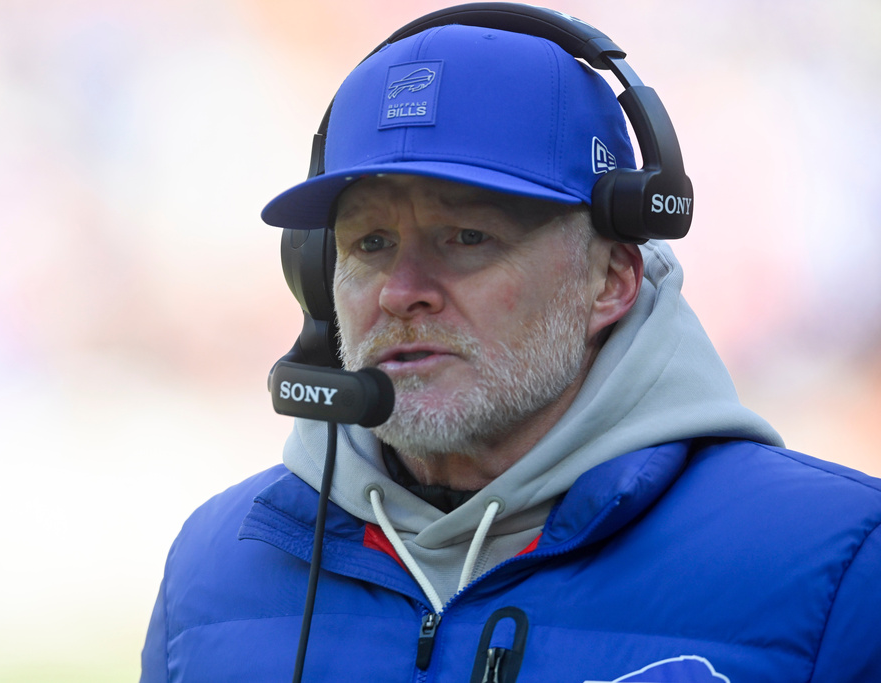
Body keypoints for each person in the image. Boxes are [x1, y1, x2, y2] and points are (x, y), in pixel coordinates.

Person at [140, 6, 881, 682]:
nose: (403, 290)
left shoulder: (842, 565)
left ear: (612, 279)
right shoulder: (214, 573)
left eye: (467, 236)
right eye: (370, 241)